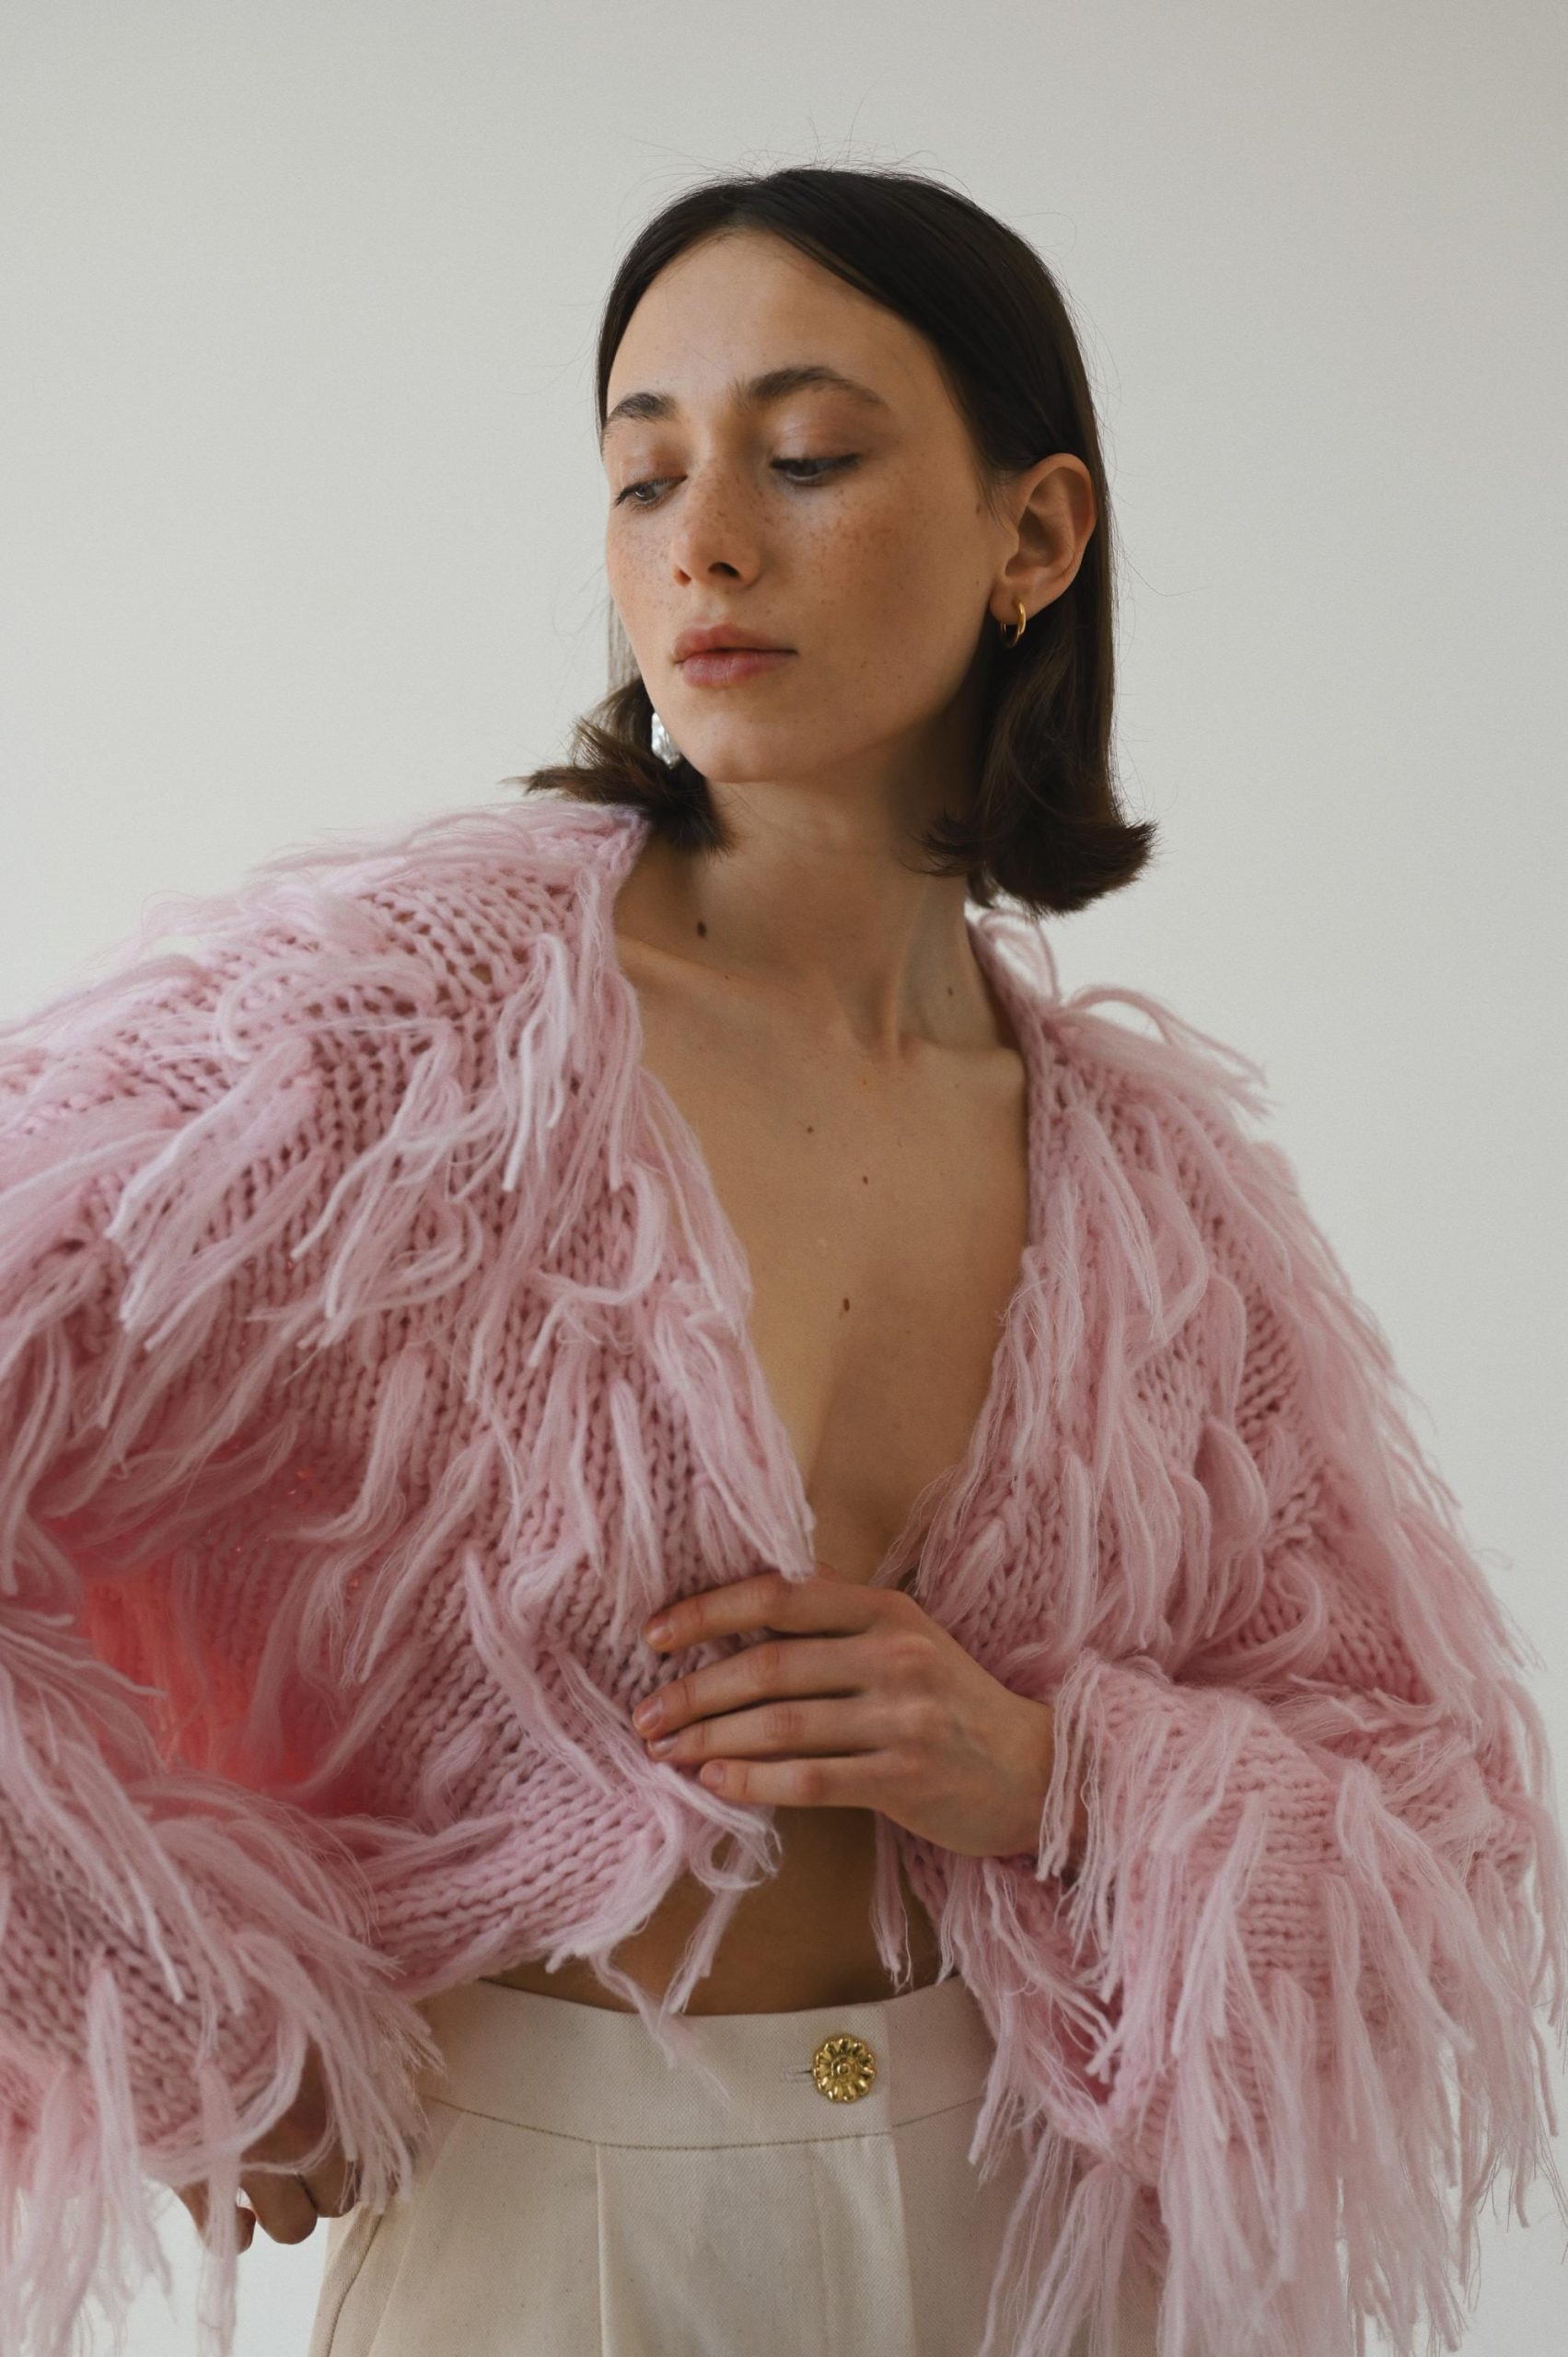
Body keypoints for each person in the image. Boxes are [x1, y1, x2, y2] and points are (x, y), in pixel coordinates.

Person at [1, 164, 1562, 2357]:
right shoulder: (419, 1039)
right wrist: (168, 2007)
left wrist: (1054, 1773)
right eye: (644, 475)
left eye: (806, 456)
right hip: (545, 2219)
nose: (704, 544)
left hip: (1020, 2225)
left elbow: (1439, 1806)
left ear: (1036, 535)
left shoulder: (1152, 1186)